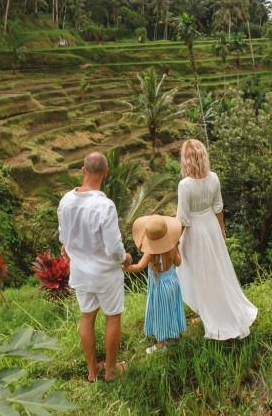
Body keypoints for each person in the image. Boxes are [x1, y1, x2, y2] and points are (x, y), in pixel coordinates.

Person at [58, 151, 132, 382]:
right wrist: (125, 258)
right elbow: (113, 248)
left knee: (87, 318)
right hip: (106, 274)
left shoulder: (66, 201)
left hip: (80, 272)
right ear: (106, 173)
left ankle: (93, 371)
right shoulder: (105, 205)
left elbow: (64, 237)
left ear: (83, 170)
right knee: (113, 317)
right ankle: (110, 370)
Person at [175, 139, 257, 340]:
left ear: (186, 160)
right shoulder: (213, 178)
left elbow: (183, 219)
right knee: (217, 271)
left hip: (195, 231)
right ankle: (211, 311)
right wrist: (221, 229)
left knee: (201, 274)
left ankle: (210, 315)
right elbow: (218, 207)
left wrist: (174, 242)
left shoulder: (185, 185)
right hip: (211, 227)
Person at [122, 215, 186, 354]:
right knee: (170, 310)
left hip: (160, 286)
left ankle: (160, 345)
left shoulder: (150, 253)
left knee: (160, 314)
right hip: (173, 282)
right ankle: (170, 339)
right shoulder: (172, 247)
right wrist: (175, 246)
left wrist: (124, 268)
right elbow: (179, 263)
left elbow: (138, 267)